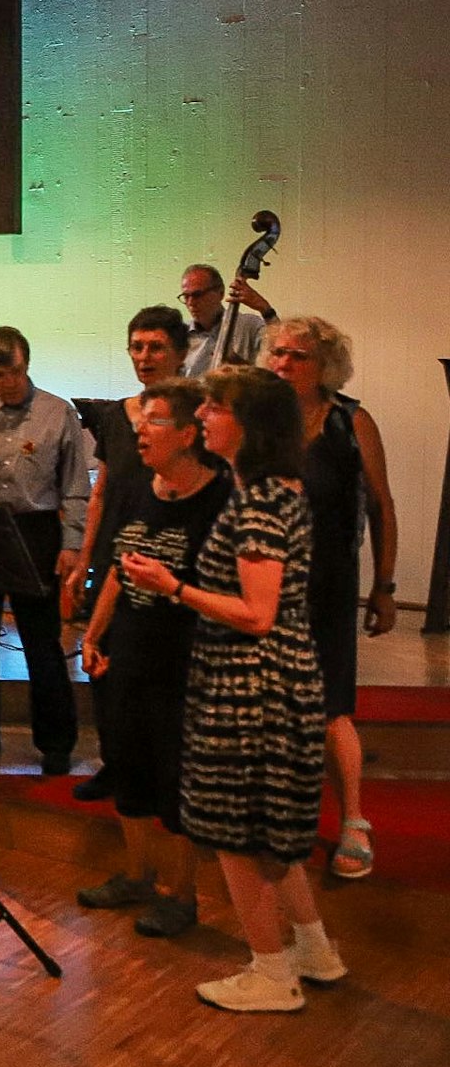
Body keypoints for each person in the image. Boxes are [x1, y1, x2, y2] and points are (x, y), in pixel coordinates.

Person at [120, 366, 344, 1013]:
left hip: (254, 687)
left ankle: (272, 972)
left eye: (216, 408)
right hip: (271, 680)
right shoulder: (272, 490)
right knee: (266, 833)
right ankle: (313, 949)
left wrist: (174, 587)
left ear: (249, 425)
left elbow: (257, 612)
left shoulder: (258, 502)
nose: (204, 418)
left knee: (237, 835)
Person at [76, 380, 230, 938]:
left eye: (156, 421)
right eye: (142, 420)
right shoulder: (144, 489)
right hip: (129, 651)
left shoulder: (220, 499)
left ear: (190, 435)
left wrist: (171, 588)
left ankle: (179, 894)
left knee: (174, 781)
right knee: (130, 770)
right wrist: (93, 635)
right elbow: (120, 565)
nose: (140, 429)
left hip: (184, 661)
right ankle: (138, 876)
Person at [264, 316, 398, 880]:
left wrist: (385, 586)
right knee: (271, 703)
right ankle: (279, 817)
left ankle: (354, 822)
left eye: (296, 356)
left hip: (330, 584)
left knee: (331, 706)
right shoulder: (261, 421)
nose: (282, 365)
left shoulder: (351, 420)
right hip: (267, 582)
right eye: (277, 354)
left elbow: (381, 506)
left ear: (325, 368)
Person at [63, 305, 189, 801]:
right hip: (114, 558)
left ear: (180, 353)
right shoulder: (118, 415)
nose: (145, 356)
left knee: (159, 677)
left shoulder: (196, 414)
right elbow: (101, 491)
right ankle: (116, 765)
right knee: (102, 666)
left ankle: (164, 774)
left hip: (166, 560)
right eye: (137, 347)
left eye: (156, 347)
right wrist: (83, 556)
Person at [0, 326, 89, 772]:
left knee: (41, 643)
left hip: (36, 531)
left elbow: (75, 487)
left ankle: (56, 744)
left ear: (27, 363)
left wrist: (72, 545)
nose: (5, 382)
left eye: (12, 371)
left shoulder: (58, 413)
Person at [179, 264, 274, 376]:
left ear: (220, 293)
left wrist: (265, 309)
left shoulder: (249, 325)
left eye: (197, 295)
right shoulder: (181, 335)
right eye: (186, 296)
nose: (191, 303)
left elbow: (277, 352)